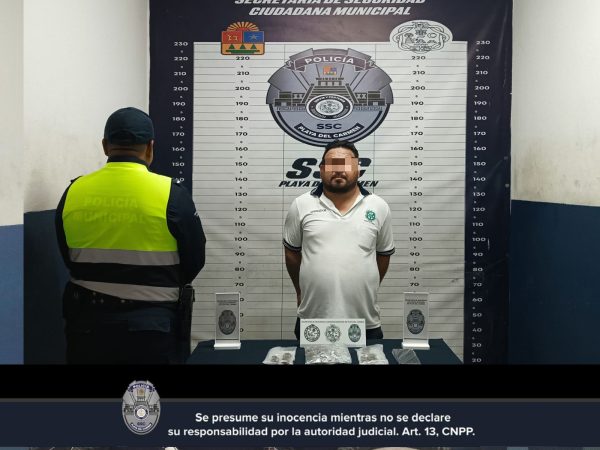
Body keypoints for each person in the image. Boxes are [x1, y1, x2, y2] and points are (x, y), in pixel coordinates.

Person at [55, 107, 206, 364]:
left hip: (87, 327)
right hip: (153, 329)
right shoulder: (171, 194)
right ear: (150, 148)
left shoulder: (73, 192)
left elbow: (67, 255)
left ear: (105, 146)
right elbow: (194, 260)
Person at [283, 140, 395, 340]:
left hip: (364, 320)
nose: (338, 170)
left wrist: (365, 284)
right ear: (321, 169)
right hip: (313, 319)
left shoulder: (379, 207)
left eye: (346, 164)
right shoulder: (301, 205)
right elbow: (292, 253)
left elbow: (383, 255)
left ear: (358, 168)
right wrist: (301, 290)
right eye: (332, 164)